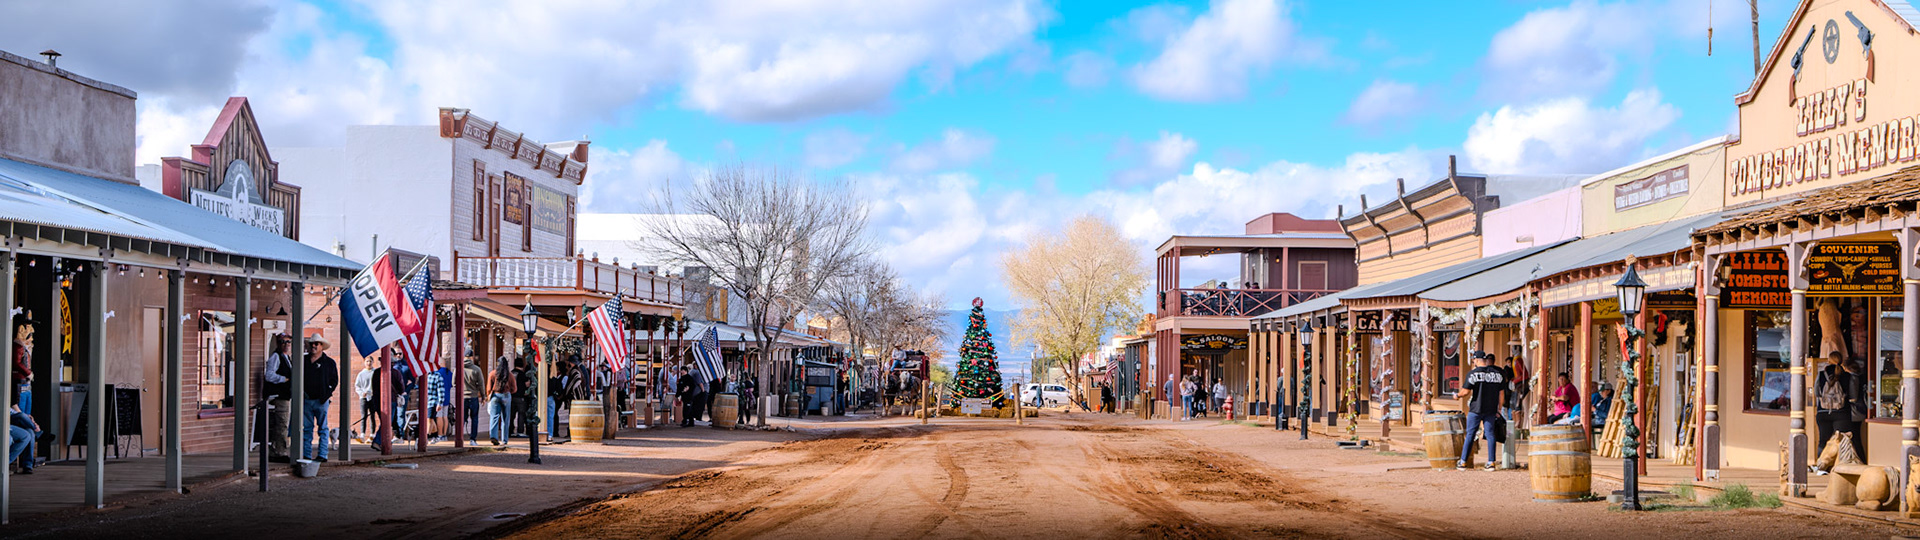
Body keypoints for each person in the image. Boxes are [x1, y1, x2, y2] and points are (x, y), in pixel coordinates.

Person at [1457, 352, 1508, 470]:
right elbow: (1501, 394)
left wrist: (1457, 396)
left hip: (1476, 408)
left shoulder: (1473, 374)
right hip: (1491, 409)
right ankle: (1491, 462)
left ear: (1476, 360)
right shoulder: (1497, 374)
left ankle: (1463, 462)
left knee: (1470, 434)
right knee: (1490, 434)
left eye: (1474, 360)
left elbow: (1465, 392)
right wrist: (1499, 408)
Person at [302, 336, 340, 462]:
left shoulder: (329, 362)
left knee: (323, 428)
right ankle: (306, 454)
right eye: (312, 343)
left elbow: (334, 380)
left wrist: (327, 392)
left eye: (317, 344)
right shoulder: (303, 361)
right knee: (306, 429)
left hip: (321, 401)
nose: (314, 346)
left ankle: (323, 454)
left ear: (322, 346)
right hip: (306, 400)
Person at [263, 335, 294, 463]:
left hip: (287, 396)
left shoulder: (287, 358)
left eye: (288, 341)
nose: (285, 344)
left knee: (284, 425)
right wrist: (283, 379)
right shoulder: (276, 356)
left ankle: (278, 450)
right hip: (279, 396)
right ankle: (279, 452)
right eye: (282, 342)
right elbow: (269, 375)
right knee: (282, 424)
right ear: (278, 343)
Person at [488, 356, 517, 445]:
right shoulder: (510, 375)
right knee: (505, 418)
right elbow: (514, 388)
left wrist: (488, 394)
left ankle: (493, 435)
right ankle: (504, 439)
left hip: (495, 395)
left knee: (494, 416)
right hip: (506, 395)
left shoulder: (493, 373)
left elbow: (489, 387)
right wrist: (510, 392)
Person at [353, 357, 379, 443]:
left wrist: (373, 393)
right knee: (363, 416)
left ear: (373, 362)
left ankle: (372, 434)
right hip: (363, 397)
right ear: (364, 362)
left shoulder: (375, 372)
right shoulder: (361, 374)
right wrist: (361, 393)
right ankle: (362, 434)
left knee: (372, 415)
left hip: (372, 396)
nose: (369, 363)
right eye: (367, 361)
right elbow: (357, 386)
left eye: (370, 361)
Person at [462, 350, 484, 445]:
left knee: (462, 418)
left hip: (462, 397)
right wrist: (483, 396)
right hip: (473, 396)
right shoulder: (476, 369)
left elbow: (453, 383)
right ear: (472, 357)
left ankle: (460, 437)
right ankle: (473, 439)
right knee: (474, 418)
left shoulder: (459, 368)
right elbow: (481, 384)